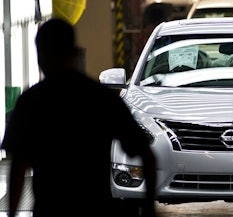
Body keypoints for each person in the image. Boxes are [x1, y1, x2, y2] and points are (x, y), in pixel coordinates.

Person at [1, 18, 157, 217]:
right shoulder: (101, 98)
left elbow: (17, 167)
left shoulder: (31, 102)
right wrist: (150, 210)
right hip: (96, 209)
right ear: (74, 52)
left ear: (40, 55)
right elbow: (147, 155)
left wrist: (12, 213)